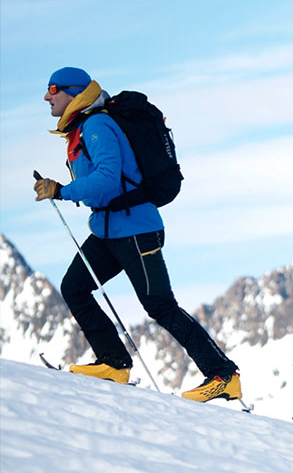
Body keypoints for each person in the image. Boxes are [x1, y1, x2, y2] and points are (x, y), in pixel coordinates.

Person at [34, 67, 241, 403]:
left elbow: (106, 179)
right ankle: (114, 364)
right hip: (107, 231)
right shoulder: (84, 128)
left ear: (73, 92)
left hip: (135, 230)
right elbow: (103, 186)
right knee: (74, 287)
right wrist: (64, 189)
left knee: (159, 305)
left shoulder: (97, 125)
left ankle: (223, 375)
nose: (47, 96)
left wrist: (61, 190)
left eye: (53, 89)